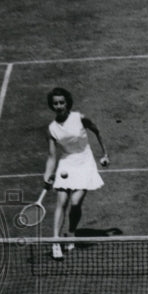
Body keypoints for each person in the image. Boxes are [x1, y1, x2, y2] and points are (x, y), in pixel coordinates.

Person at [43, 88, 110, 259]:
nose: (58, 106)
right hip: (66, 163)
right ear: (52, 105)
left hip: (85, 162)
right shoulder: (51, 129)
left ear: (67, 103)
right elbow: (52, 156)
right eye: (55, 103)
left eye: (61, 102)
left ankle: (71, 232)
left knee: (75, 203)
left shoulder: (80, 118)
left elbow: (97, 131)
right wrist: (47, 173)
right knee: (62, 201)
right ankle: (56, 242)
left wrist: (105, 154)